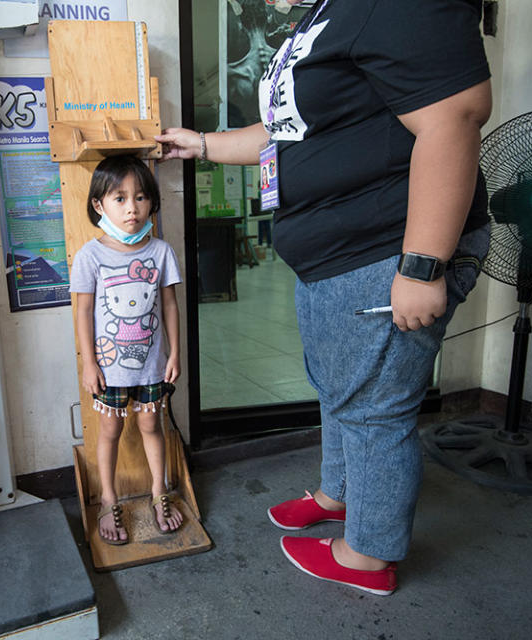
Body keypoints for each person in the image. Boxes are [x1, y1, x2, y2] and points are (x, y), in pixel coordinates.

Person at [155, 0, 492, 595]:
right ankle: (339, 496)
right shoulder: (323, 15)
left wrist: (421, 266)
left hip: (384, 249)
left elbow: (454, 117)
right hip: (337, 253)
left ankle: (368, 555)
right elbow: (284, 132)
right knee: (339, 387)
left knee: (375, 408)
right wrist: (202, 145)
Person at [68, 154, 184, 545]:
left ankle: (159, 493)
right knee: (111, 430)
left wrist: (174, 354)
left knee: (153, 425)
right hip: (109, 371)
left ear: (152, 201)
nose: (131, 208)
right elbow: (82, 311)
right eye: (119, 198)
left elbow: (169, 304)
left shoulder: (161, 252)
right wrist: (89, 364)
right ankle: (108, 500)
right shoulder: (90, 256)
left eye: (139, 197)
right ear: (99, 205)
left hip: (151, 367)